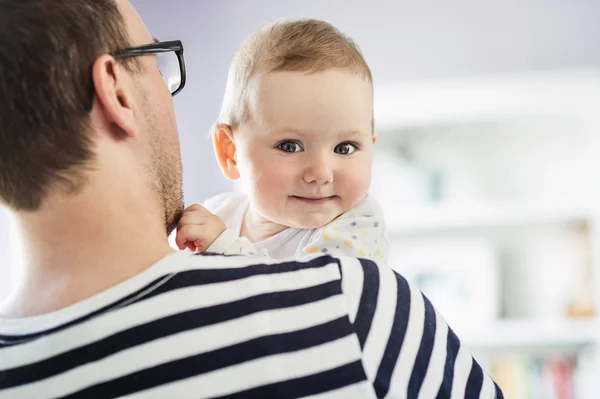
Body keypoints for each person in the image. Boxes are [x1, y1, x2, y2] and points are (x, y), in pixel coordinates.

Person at [0, 0, 502, 398]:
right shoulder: (351, 311)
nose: (321, 172)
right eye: (153, 59)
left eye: (346, 146)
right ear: (116, 89)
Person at [175, 19, 389, 264]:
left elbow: (310, 295)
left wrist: (225, 249)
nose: (320, 173)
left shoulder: (357, 225)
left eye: (344, 148)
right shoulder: (218, 214)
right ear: (231, 153)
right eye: (290, 146)